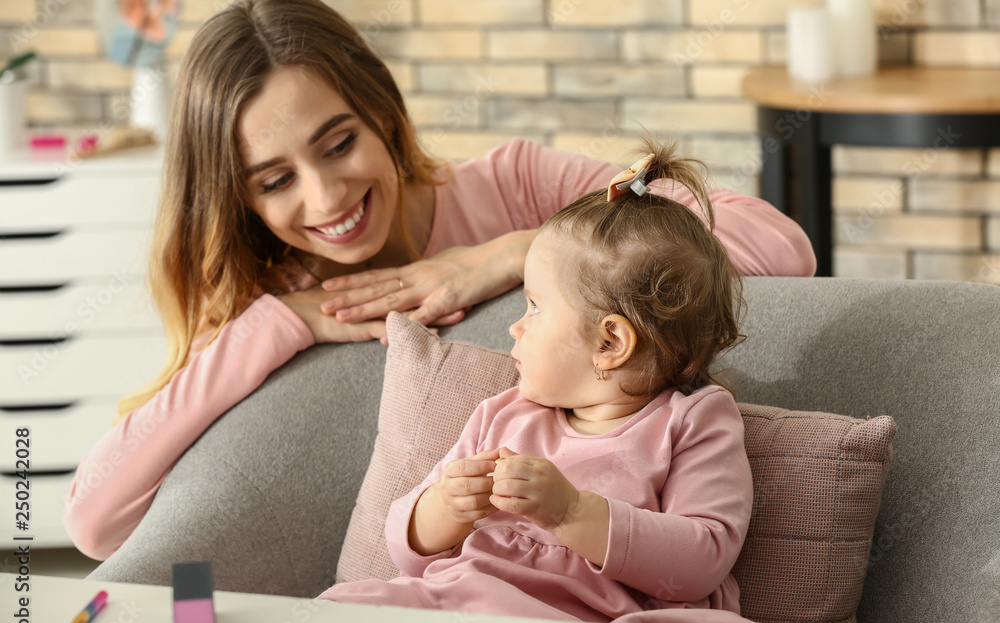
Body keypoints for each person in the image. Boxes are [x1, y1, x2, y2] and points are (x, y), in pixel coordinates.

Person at [64, 0, 815, 561]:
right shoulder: (274, 289)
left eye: (339, 142)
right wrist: (280, 319)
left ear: (383, 114)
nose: (326, 199)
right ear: (239, 198)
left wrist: (515, 251)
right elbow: (95, 522)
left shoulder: (517, 185)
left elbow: (782, 247)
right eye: (274, 180)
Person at [318, 142, 765, 623]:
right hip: (464, 602)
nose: (515, 327)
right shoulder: (503, 413)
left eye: (534, 307)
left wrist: (570, 511)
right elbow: (406, 553)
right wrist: (446, 506)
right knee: (341, 611)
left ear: (609, 341)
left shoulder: (693, 421)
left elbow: (700, 560)